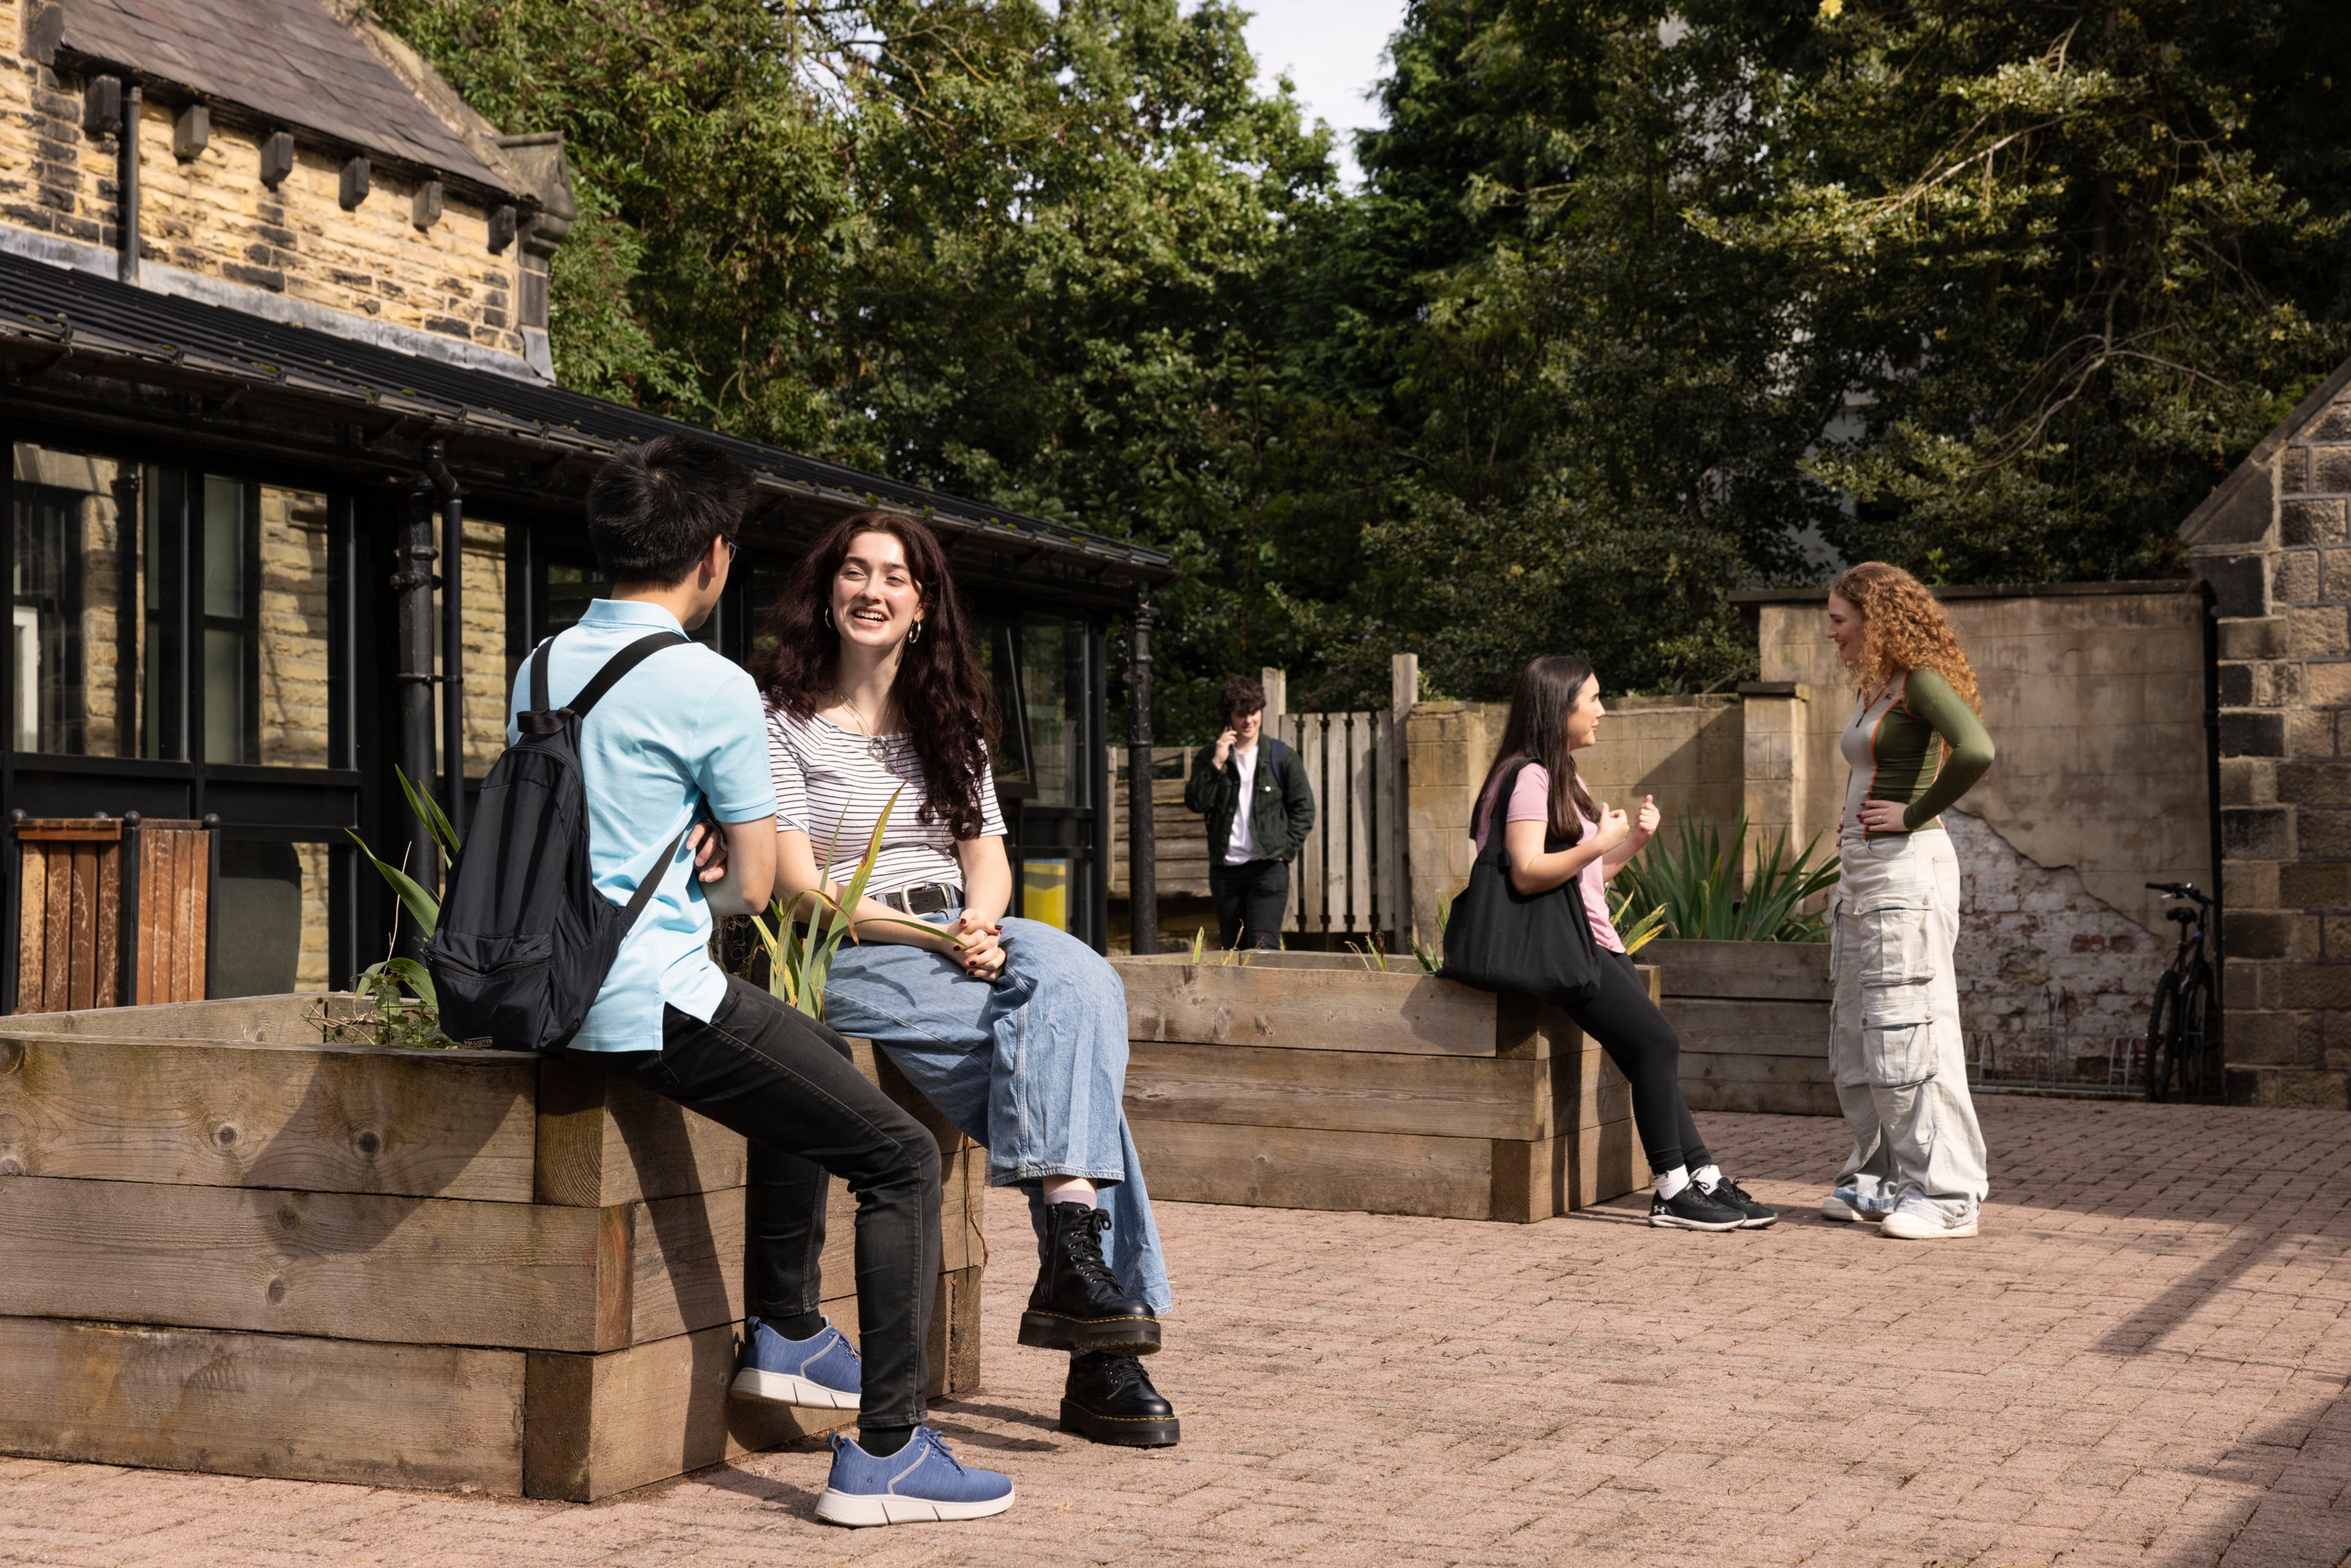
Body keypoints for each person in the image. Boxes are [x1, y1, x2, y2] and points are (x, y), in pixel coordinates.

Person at [515, 437, 1013, 1528]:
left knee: (813, 1056)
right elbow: (753, 886)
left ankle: (786, 1330)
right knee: (898, 1155)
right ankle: (886, 1451)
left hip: (551, 987)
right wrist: (713, 860)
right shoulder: (711, 684)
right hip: (650, 998)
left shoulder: (544, 662)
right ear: (713, 557)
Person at [752, 511, 1181, 1450]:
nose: (873, 590)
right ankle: (1102, 1347)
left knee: (1080, 975)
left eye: (894, 577)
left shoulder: (951, 722)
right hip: (853, 949)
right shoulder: (778, 720)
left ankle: (1078, 1273)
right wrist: (938, 938)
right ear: (828, 593)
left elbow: (986, 857)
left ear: (922, 604)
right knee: (1078, 1088)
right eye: (855, 572)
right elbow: (795, 883)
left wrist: (980, 922)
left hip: (958, 927)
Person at [1470, 655, 1777, 1231]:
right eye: (1594, 699)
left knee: (1647, 1053)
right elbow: (1528, 872)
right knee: (1658, 1042)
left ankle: (1702, 1179)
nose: (1603, 710)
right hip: (1569, 946)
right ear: (1559, 707)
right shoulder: (1530, 775)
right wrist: (1597, 841)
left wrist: (1629, 841)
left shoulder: (1560, 774)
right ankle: (1671, 1190)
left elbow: (1583, 875)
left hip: (1595, 937)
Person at [1817, 561, 1996, 1240]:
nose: (1831, 634)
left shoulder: (1919, 680)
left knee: (1910, 1027)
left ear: (1877, 616)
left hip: (1905, 873)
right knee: (1859, 1035)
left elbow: (1977, 750)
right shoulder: (1876, 686)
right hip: (1864, 873)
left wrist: (1914, 813)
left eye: (1840, 620)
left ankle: (1949, 1194)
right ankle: (1881, 1177)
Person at [1183, 675, 1315, 951]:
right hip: (1226, 872)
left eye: (1254, 713)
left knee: (1264, 949)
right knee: (1233, 949)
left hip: (1268, 868)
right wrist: (1217, 762)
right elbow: (1196, 802)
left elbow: (1304, 808)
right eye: (1241, 714)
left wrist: (1286, 850)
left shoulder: (1281, 757)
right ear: (1229, 715)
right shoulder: (1211, 756)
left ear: (1261, 711)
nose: (1248, 721)